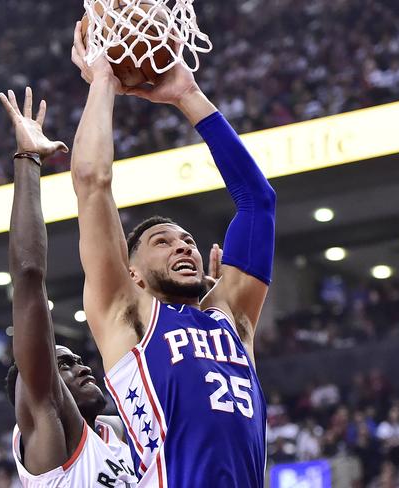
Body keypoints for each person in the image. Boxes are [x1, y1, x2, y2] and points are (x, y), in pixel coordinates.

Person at [69, 19, 276, 487]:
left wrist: (187, 94)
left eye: (186, 240)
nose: (182, 245)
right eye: (161, 242)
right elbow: (92, 184)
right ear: (133, 274)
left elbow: (258, 200)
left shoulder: (233, 319)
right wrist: (102, 80)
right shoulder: (126, 316)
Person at [0, 87, 137, 487]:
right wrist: (27, 160)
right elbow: (27, 274)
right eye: (62, 364)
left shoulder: (120, 443)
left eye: (75, 359)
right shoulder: (48, 432)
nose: (80, 366)